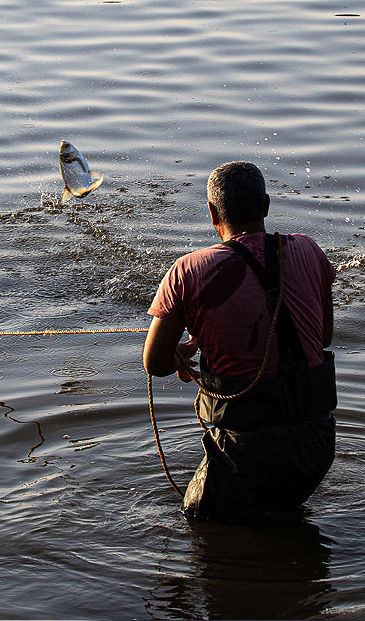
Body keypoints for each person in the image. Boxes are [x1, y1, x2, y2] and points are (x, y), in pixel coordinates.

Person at [143, 161, 337, 522]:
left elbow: (154, 364)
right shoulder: (309, 250)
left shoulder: (189, 270)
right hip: (316, 443)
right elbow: (321, 337)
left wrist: (183, 352)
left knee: (200, 527)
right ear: (265, 206)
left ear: (212, 212)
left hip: (245, 452)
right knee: (282, 519)